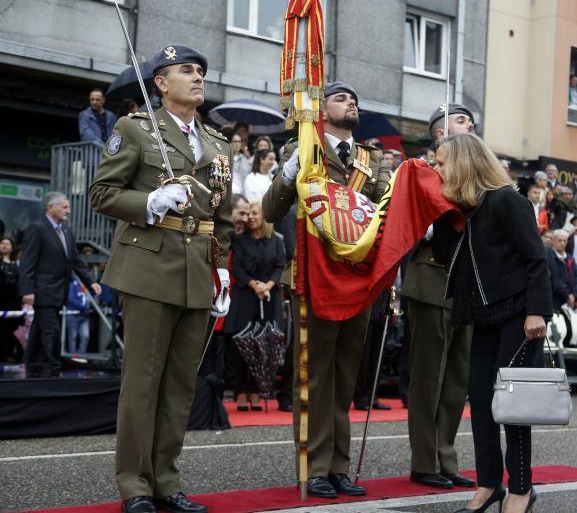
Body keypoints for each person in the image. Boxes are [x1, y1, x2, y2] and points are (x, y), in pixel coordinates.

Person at [90, 44, 233, 513]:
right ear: (160, 82)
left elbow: (223, 217)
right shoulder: (135, 129)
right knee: (142, 382)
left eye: (200, 72)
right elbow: (102, 193)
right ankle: (135, 485)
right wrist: (149, 203)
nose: (197, 77)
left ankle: (167, 481)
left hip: (197, 271)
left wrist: (223, 270)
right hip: (149, 266)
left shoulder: (216, 142)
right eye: (186, 71)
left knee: (179, 386)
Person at [262, 81, 390, 499]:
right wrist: (290, 169)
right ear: (322, 111)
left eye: (355, 98)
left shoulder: (373, 160)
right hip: (313, 276)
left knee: (344, 377)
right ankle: (315, 466)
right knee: (314, 375)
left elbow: (383, 215)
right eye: (340, 97)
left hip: (356, 279)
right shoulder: (305, 149)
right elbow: (270, 210)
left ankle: (339, 467)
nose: (351, 102)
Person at [432, 133, 551, 513]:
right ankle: (488, 484)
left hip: (519, 315)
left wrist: (537, 312)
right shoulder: (460, 211)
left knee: (511, 404)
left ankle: (521, 487)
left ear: (464, 163)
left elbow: (536, 259)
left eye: (441, 162)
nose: (437, 168)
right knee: (481, 400)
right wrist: (436, 209)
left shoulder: (507, 201)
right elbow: (441, 257)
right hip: (483, 316)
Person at [403, 103, 476, 490]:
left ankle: (446, 456)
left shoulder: (478, 175)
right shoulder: (422, 171)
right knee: (429, 377)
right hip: (431, 278)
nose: (471, 125)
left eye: (471, 121)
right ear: (439, 132)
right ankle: (424, 460)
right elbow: (404, 222)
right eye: (462, 120)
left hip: (465, 286)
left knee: (456, 380)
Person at [19, 192, 101, 375]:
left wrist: (91, 282)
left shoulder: (66, 232)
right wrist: (27, 290)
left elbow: (76, 261)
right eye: (65, 207)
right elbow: (27, 262)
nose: (69, 211)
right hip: (43, 291)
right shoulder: (37, 228)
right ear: (51, 207)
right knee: (52, 329)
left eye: (68, 207)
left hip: (58, 292)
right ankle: (54, 367)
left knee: (39, 331)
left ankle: (27, 365)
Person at [223, 202, 286, 411]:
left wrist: (267, 285)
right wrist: (254, 285)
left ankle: (257, 392)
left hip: (269, 297)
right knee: (242, 346)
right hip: (246, 296)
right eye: (247, 213)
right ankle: (240, 391)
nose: (249, 217)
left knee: (263, 347)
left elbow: (280, 266)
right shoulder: (239, 240)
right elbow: (236, 267)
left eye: (254, 213)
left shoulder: (276, 241)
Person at [0, 237, 22, 363]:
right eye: (2, 243)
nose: (4, 246)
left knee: (10, 330)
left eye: (8, 244)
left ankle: (9, 354)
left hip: (13, 304)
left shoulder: (17, 265)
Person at [547, 229, 577, 311]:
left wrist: (574, 295)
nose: (562, 243)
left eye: (565, 241)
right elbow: (554, 279)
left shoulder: (570, 258)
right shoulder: (548, 256)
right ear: (553, 241)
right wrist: (567, 295)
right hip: (554, 300)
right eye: (560, 240)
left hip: (571, 301)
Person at [65, 276, 92, 354]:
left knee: (85, 335)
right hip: (73, 314)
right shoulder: (72, 285)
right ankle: (73, 354)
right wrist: (84, 308)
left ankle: (82, 354)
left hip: (84, 316)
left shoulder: (85, 286)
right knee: (73, 336)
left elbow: (90, 298)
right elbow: (71, 299)